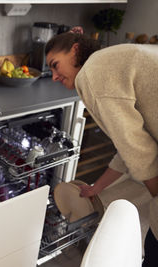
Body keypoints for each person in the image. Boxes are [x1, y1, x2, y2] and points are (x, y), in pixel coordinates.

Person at [45, 31, 158, 266]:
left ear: (75, 49)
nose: (54, 76)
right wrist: (97, 187)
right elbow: (126, 147)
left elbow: (136, 148)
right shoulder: (106, 61)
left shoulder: (92, 74)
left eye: (55, 65)